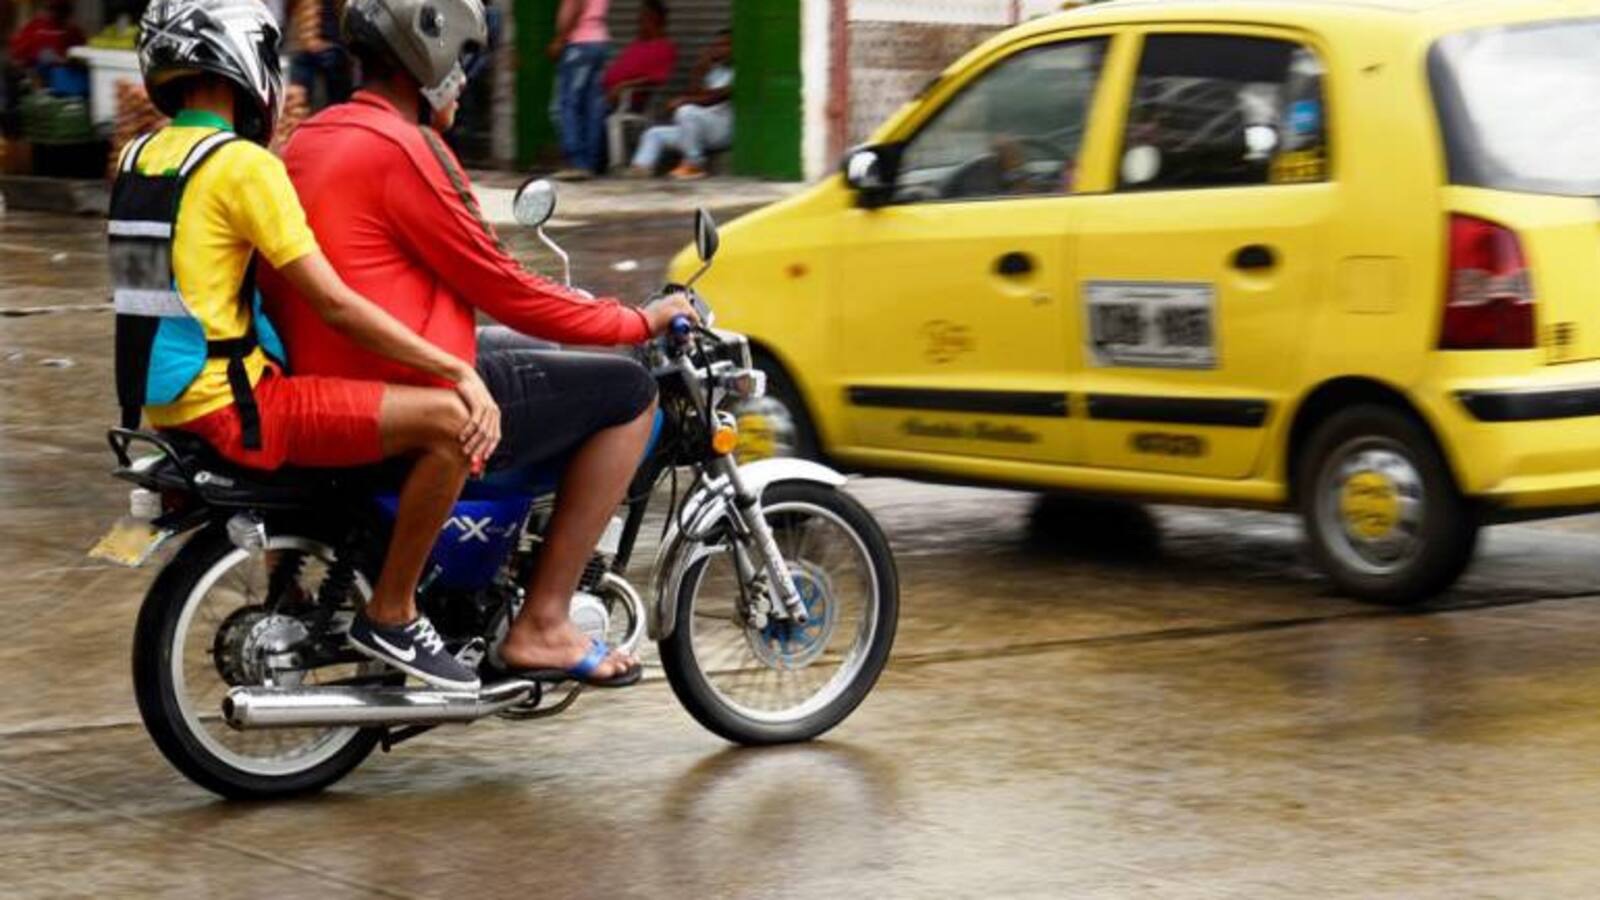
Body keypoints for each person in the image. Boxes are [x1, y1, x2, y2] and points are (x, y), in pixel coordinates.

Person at [262, 0, 698, 688]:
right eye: (460, 61)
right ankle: (545, 622)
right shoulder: (406, 149)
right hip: (403, 385)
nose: (464, 79)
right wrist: (636, 321)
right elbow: (502, 282)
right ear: (424, 58)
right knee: (629, 392)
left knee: (523, 350)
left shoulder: (315, 134)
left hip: (345, 365)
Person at [117, 0, 500, 692]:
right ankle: (394, 612)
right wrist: (453, 370)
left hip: (164, 410)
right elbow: (330, 300)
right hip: (235, 408)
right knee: (452, 426)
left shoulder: (139, 158)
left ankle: (294, 583)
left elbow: (176, 295)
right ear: (245, 60)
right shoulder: (243, 167)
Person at [626, 28, 731, 180]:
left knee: (686, 111)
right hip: (702, 129)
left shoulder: (742, 72)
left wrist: (685, 101)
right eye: (717, 45)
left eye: (725, 45)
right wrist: (700, 69)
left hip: (723, 129)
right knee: (654, 134)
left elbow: (717, 97)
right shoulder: (716, 70)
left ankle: (695, 164)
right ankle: (641, 169)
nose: (720, 49)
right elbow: (695, 93)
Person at [549, 0, 609, 179]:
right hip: (598, 42)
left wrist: (560, 39)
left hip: (580, 43)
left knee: (568, 105)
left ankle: (576, 162)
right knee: (591, 107)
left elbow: (577, 4)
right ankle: (589, 163)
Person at [601, 0, 675, 112]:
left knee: (590, 108)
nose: (638, 21)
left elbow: (656, 79)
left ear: (654, 19)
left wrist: (623, 85)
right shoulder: (638, 44)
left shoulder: (663, 48)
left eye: (642, 16)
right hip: (608, 93)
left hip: (628, 100)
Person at [288, 0, 352, 108]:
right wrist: (312, 42)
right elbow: (307, 29)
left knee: (333, 60)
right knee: (302, 62)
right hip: (316, 48)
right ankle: (298, 108)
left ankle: (337, 108)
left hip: (338, 48)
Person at [7, 0, 85, 70]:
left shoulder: (72, 31)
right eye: (51, 9)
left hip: (64, 74)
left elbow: (81, 55)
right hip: (37, 72)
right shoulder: (36, 26)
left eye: (60, 10)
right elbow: (18, 56)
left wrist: (66, 61)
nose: (55, 14)